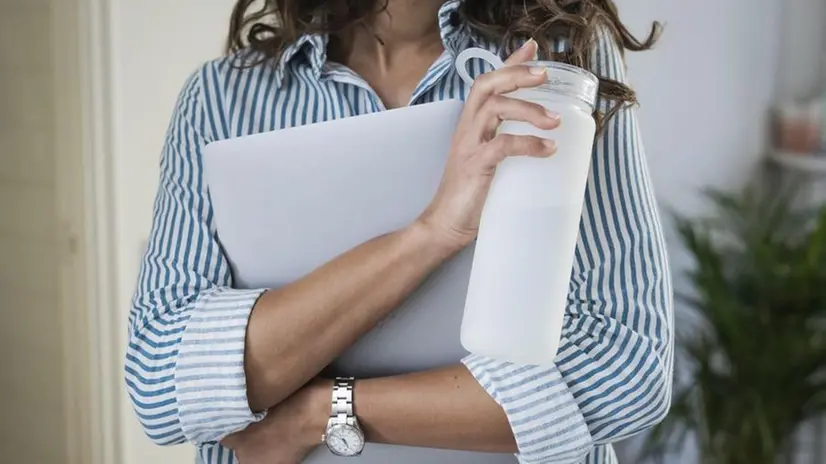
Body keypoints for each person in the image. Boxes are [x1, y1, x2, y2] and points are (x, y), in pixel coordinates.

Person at [125, 0, 673, 463]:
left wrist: (322, 411)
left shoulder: (557, 62)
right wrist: (430, 234)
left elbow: (626, 367)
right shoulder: (222, 98)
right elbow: (162, 383)